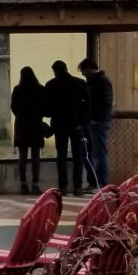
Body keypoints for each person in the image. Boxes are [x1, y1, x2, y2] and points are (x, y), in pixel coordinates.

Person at [44, 60, 90, 194]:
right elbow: (87, 105)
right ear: (66, 68)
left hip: (59, 125)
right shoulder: (79, 83)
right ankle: (78, 186)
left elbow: (47, 108)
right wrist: (82, 122)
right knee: (78, 156)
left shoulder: (51, 85)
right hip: (76, 125)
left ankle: (62, 187)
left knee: (61, 156)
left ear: (55, 71)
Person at [10, 67, 48, 194]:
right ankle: (35, 184)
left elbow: (13, 107)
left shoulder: (18, 90)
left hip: (22, 125)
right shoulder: (40, 89)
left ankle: (23, 184)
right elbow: (44, 107)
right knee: (36, 156)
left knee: (22, 156)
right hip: (36, 125)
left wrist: (22, 116)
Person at [79, 58, 113, 188]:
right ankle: (98, 181)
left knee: (99, 152)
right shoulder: (99, 81)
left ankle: (101, 181)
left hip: (99, 121)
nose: (82, 74)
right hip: (98, 120)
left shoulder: (100, 82)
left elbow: (105, 102)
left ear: (88, 69)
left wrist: (93, 116)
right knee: (97, 152)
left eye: (83, 70)